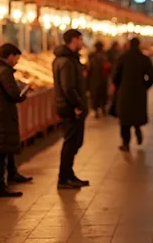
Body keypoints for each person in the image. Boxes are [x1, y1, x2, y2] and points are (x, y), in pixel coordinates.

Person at [0, 43, 32, 198]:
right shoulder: (4, 72)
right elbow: (14, 94)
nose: (17, 60)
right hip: (2, 117)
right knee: (0, 154)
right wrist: (23, 92)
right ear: (10, 56)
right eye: (16, 57)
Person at [53, 29, 90, 189]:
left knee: (75, 141)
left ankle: (69, 174)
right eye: (81, 39)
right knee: (71, 141)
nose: (83, 43)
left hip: (70, 105)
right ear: (74, 40)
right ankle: (64, 177)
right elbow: (68, 87)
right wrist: (78, 105)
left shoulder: (69, 59)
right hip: (70, 107)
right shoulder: (67, 61)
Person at [113, 38, 153, 152]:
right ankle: (137, 129)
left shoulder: (123, 58)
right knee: (136, 114)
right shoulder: (144, 58)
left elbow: (115, 76)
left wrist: (118, 85)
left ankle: (125, 143)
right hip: (139, 92)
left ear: (128, 45)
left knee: (124, 119)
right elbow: (152, 76)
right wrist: (145, 86)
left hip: (125, 91)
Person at [87, 41, 110, 118]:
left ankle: (96, 110)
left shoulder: (92, 56)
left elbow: (89, 68)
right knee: (102, 95)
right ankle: (103, 108)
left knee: (95, 96)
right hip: (103, 79)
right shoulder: (105, 56)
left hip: (94, 79)